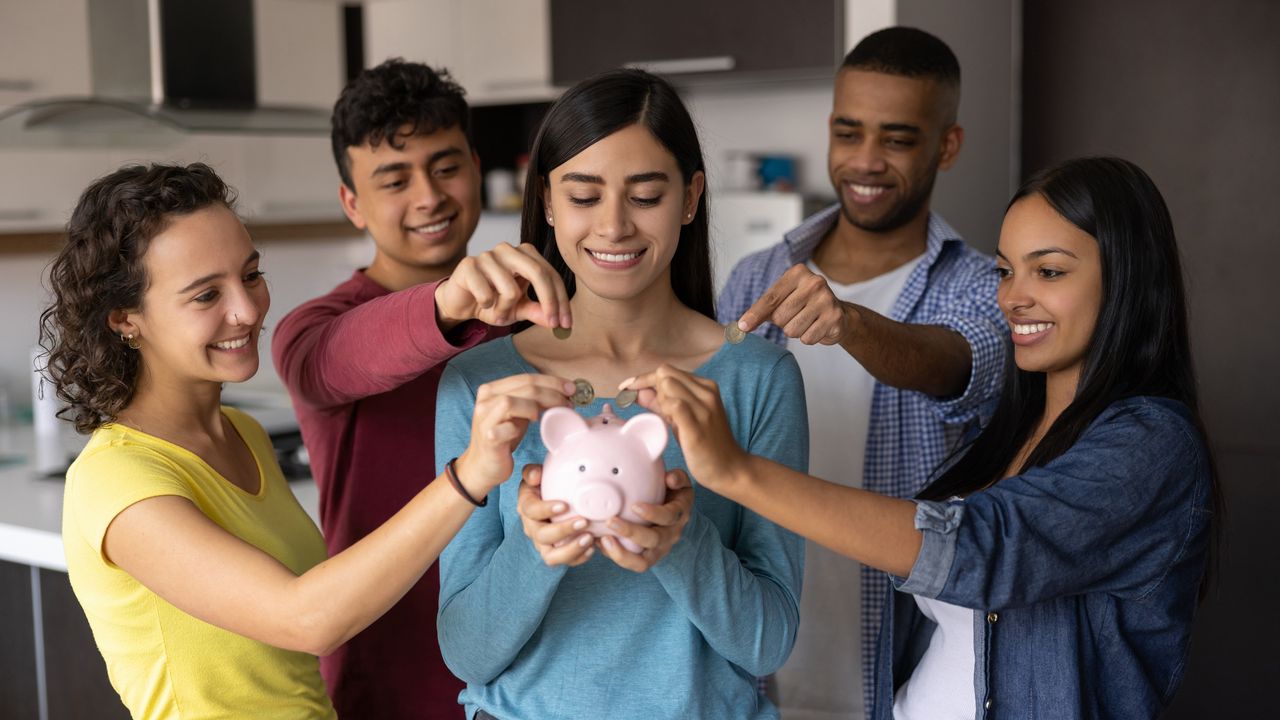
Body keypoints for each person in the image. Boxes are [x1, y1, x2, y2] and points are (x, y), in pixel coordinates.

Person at [628, 156, 1218, 719]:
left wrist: (737, 471)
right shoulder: (1004, 432)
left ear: (1128, 280)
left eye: (1050, 270)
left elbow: (981, 550)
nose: (1013, 297)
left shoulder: (1152, 446)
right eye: (1006, 270)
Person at [42, 162, 573, 719]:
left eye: (249, 275)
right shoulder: (116, 480)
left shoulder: (240, 433)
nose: (246, 311)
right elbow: (307, 620)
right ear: (125, 319)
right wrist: (469, 476)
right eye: (205, 296)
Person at [434, 68, 808, 720]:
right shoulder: (483, 386)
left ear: (690, 198)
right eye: (583, 196)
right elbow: (467, 653)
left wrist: (679, 541)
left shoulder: (756, 378)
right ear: (547, 201)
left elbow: (767, 643)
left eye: (645, 196)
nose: (613, 226)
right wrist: (536, 547)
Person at [715, 26, 1007, 717]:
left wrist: (848, 322)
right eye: (849, 133)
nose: (865, 161)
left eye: (898, 139)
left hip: (904, 677)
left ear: (948, 145)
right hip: (758, 672)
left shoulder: (983, 287)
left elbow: (949, 363)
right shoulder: (758, 275)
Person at [271, 59, 571, 717]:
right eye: (394, 179)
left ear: (474, 164)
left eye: (444, 166)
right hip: (389, 683)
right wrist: (450, 302)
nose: (429, 196)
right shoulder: (312, 332)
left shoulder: (538, 310)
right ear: (353, 202)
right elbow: (343, 357)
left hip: (528, 681)